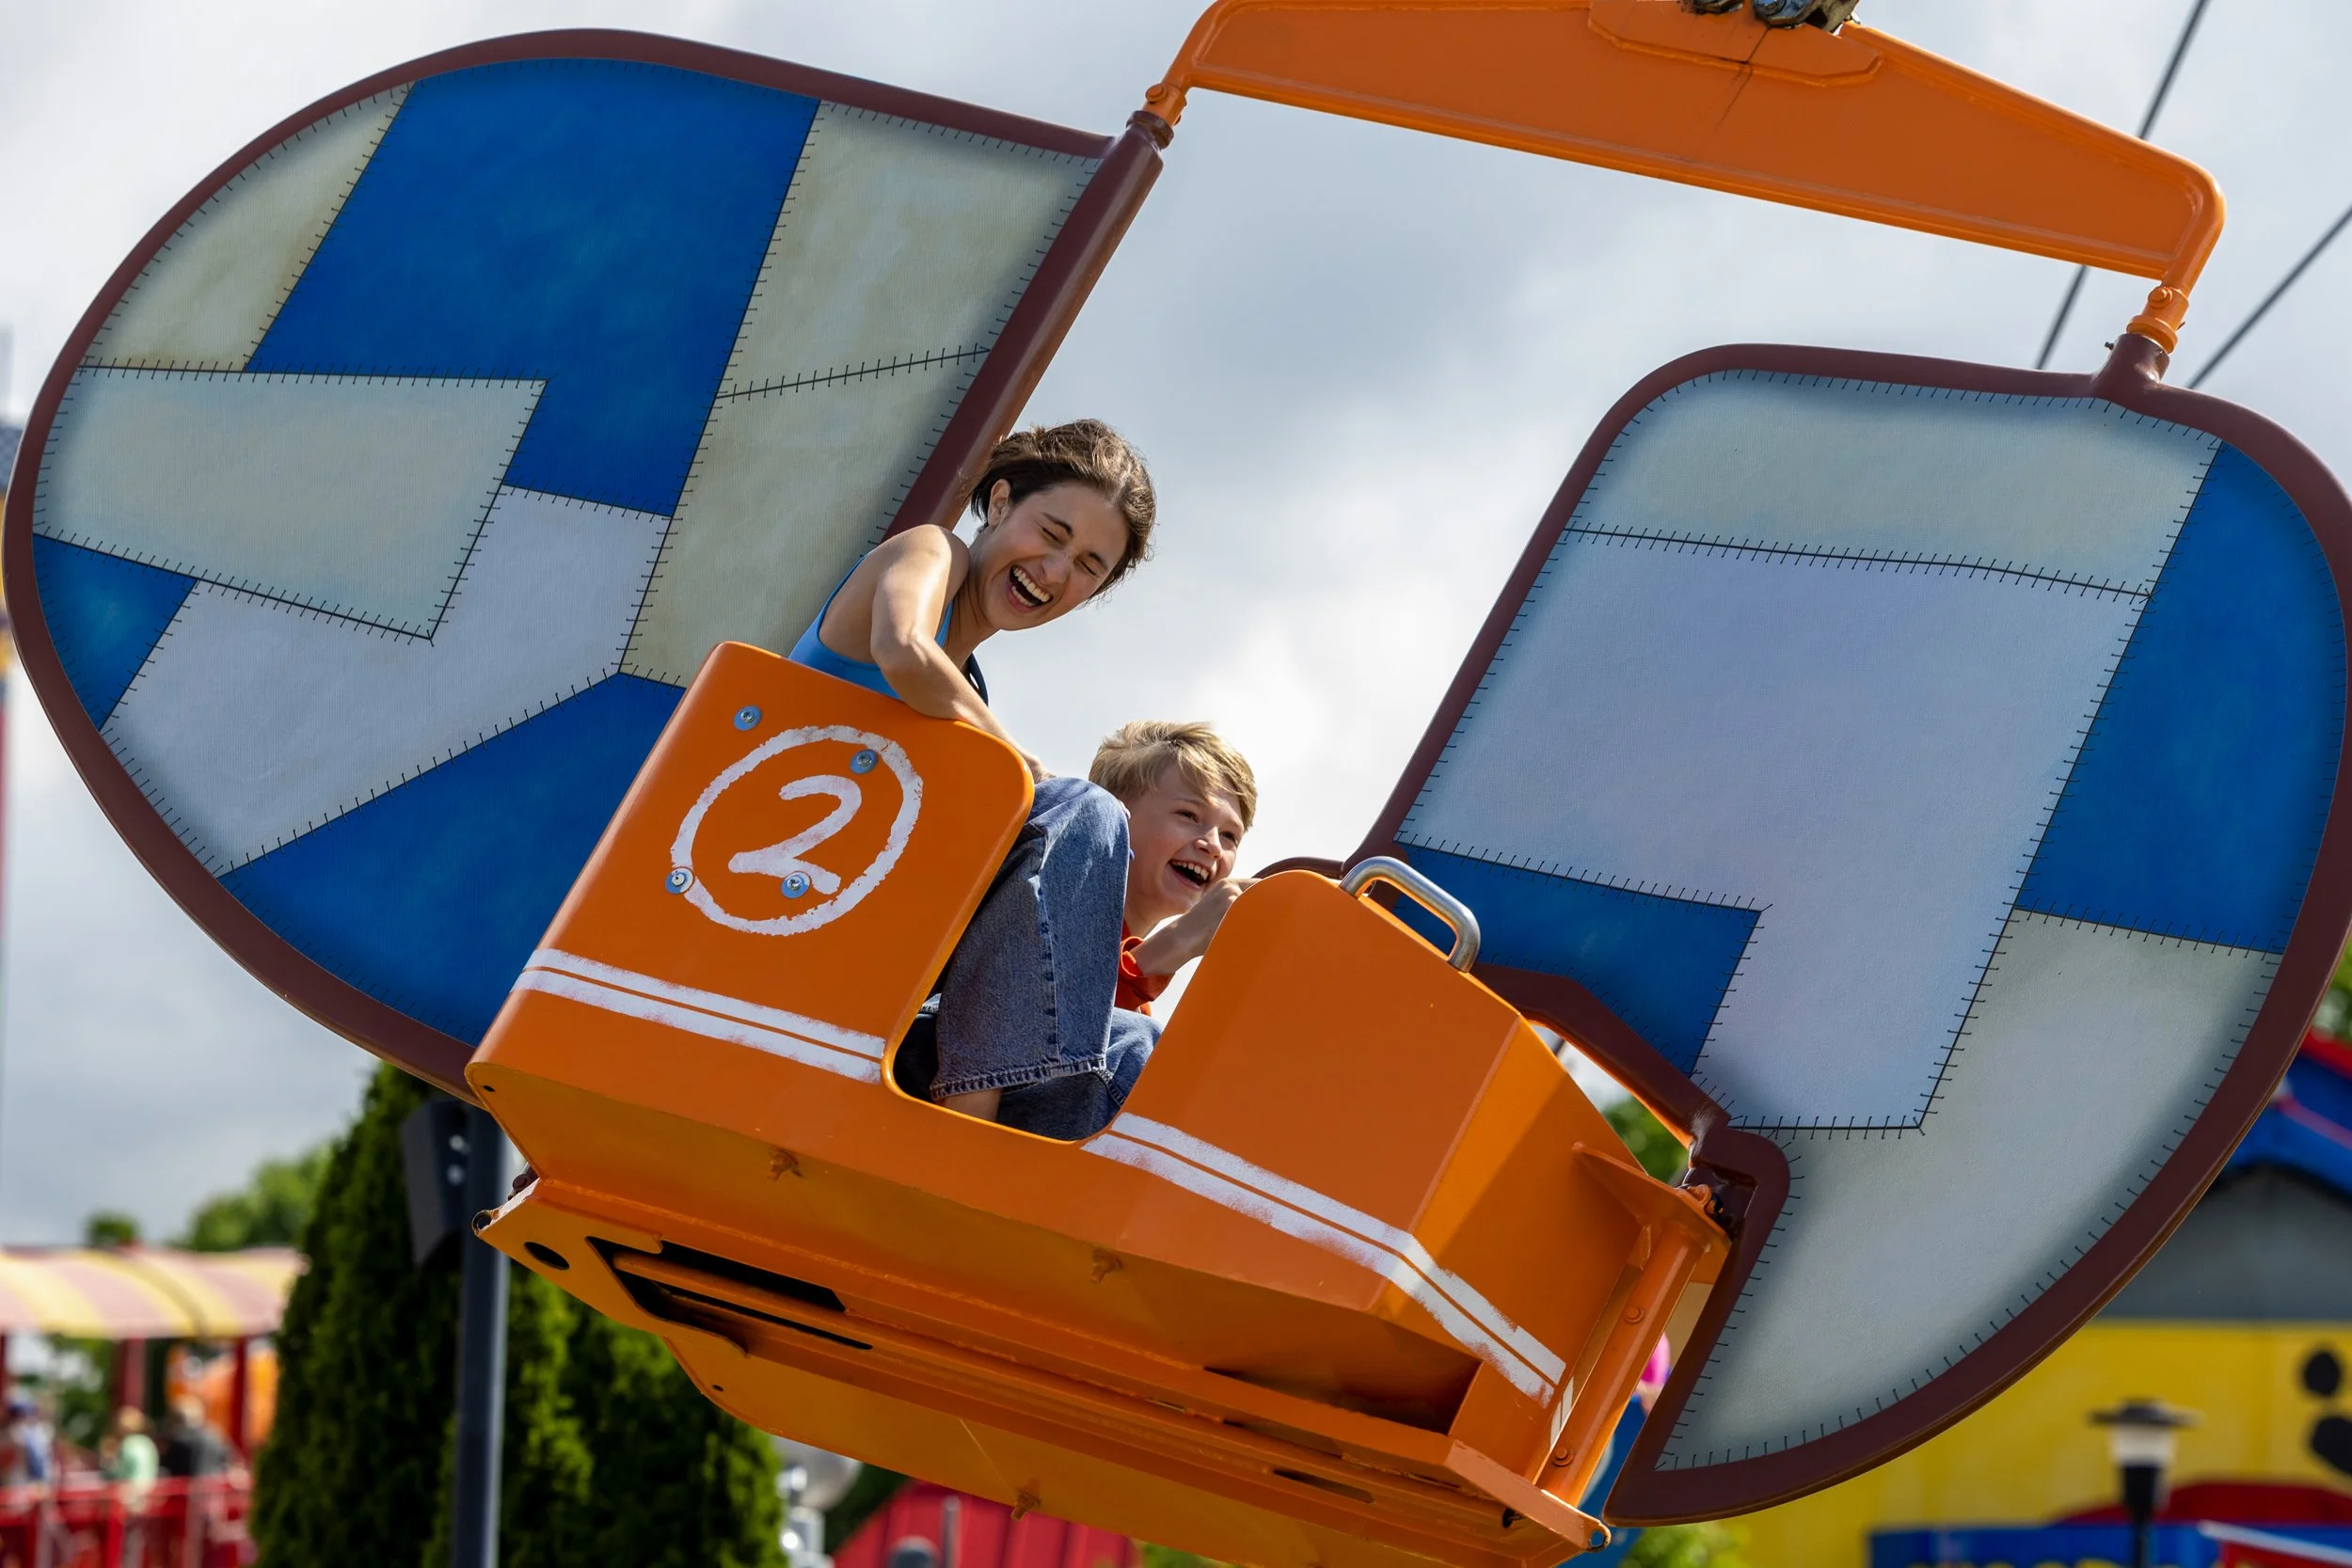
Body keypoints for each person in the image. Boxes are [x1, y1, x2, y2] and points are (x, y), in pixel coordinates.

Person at [787, 420, 1158, 1138]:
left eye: (1087, 565)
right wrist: (1021, 763)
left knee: (1134, 1050)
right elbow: (903, 650)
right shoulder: (933, 553)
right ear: (997, 501)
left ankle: (1007, 1166)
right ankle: (968, 1128)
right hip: (793, 899)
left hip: (890, 974)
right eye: (1050, 533)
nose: (1054, 572)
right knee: (1086, 808)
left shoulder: (971, 698)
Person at [1088, 721, 1257, 1015]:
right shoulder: (1048, 902)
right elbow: (1046, 1024)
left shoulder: (1138, 1004)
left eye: (1230, 836)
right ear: (1116, 814)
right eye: (1188, 815)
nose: (1214, 846)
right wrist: (1176, 942)